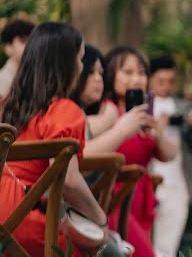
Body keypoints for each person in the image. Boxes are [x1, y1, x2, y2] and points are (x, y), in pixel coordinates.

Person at [0, 22, 108, 256]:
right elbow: (68, 180)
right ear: (66, 64)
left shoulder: (6, 107)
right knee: (103, 250)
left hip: (3, 226)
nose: (81, 67)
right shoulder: (64, 111)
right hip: (24, 219)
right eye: (80, 59)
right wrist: (100, 219)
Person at [102, 46, 178, 257]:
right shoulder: (107, 110)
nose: (136, 78)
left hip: (142, 200)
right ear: (110, 75)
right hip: (115, 202)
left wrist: (158, 134)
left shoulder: (144, 115)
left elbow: (170, 154)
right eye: (128, 72)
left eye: (142, 72)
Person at [148, 55, 192, 257]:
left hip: (178, 182)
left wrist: (191, 126)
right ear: (151, 79)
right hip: (149, 179)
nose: (166, 86)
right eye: (161, 81)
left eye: (171, 81)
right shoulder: (143, 106)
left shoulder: (182, 107)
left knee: (168, 244)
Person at [0, 18, 35, 99]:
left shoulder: (37, 74)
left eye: (31, 40)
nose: (29, 45)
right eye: (23, 41)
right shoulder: (3, 80)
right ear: (8, 48)